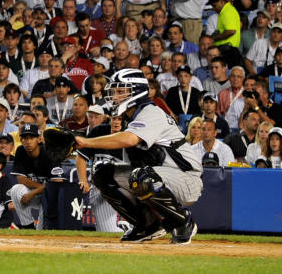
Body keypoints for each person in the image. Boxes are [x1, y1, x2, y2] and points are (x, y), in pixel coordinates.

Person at [75, 68, 203, 244]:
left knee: (142, 177)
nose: (115, 96)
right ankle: (147, 226)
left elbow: (128, 139)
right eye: (114, 91)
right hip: (162, 174)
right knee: (103, 174)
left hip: (186, 178)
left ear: (136, 92)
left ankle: (182, 221)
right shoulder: (130, 117)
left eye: (120, 91)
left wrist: (86, 142)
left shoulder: (151, 112)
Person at [7, 122, 58, 230]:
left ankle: (40, 228)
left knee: (41, 231)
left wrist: (34, 192)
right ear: (21, 140)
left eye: (31, 137)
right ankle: (28, 226)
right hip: (37, 192)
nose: (28, 141)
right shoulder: (21, 150)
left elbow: (55, 183)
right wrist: (39, 188)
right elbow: (20, 179)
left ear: (39, 139)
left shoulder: (49, 153)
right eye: (25, 138)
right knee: (16, 190)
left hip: (49, 197)